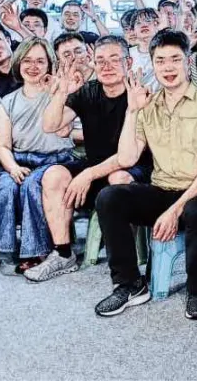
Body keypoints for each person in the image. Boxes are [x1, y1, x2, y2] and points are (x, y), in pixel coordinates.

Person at [93, 30, 197, 320]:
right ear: (153, 65)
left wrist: (175, 209)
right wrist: (132, 111)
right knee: (109, 197)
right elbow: (127, 158)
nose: (168, 67)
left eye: (174, 59)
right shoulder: (148, 105)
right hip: (161, 190)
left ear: (188, 62)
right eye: (160, 61)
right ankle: (130, 284)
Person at [41, 37, 153, 272]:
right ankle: (63, 253)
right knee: (54, 175)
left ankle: (126, 260)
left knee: (118, 178)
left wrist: (88, 174)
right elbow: (50, 126)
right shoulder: (87, 92)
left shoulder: (140, 95)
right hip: (95, 166)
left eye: (114, 60)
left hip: (135, 171)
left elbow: (128, 158)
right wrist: (61, 92)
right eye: (100, 61)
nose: (106, 66)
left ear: (128, 62)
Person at [0, 38, 82, 278]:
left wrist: (62, 93)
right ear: (18, 63)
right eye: (27, 61)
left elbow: (64, 130)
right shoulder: (8, 102)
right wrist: (12, 168)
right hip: (18, 161)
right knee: (5, 189)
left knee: (32, 185)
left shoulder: (61, 94)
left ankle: (38, 251)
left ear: (49, 64)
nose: (33, 67)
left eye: (40, 61)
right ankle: (3, 249)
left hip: (54, 161)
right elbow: (3, 146)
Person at [128, 7, 161, 91]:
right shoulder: (128, 54)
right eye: (138, 23)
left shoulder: (166, 50)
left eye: (148, 21)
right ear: (133, 30)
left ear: (157, 25)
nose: (144, 25)